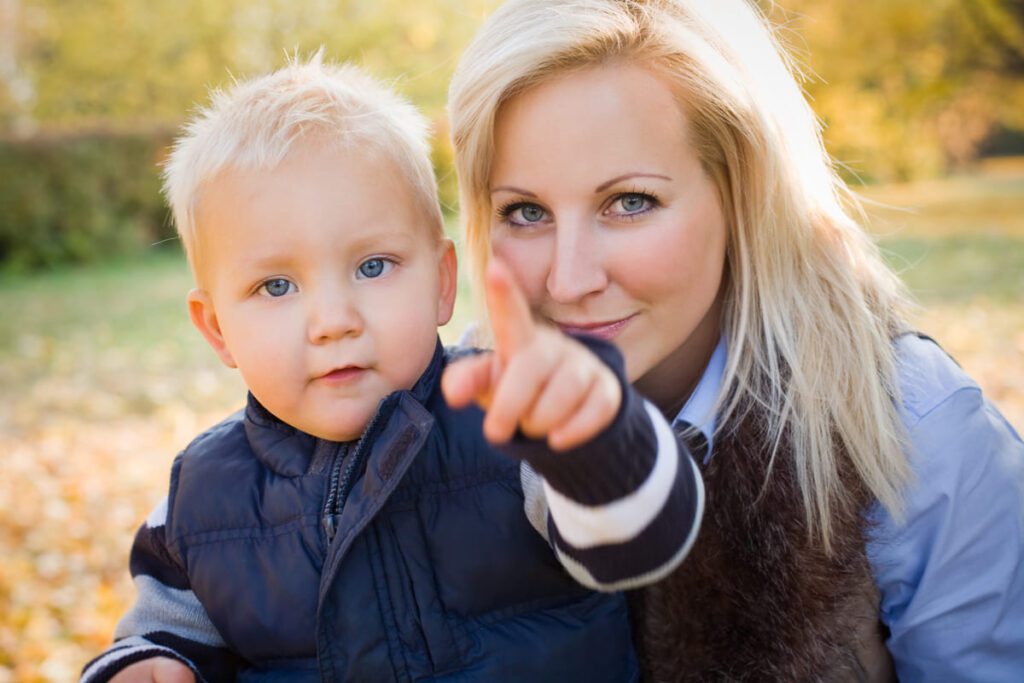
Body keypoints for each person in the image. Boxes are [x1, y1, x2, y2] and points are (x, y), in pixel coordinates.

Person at [445, 0, 1024, 680]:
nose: (569, 279)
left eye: (630, 201)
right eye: (525, 211)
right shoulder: (449, 424)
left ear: (742, 189)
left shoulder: (914, 423)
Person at [80, 55, 704, 682]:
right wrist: (147, 663)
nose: (333, 320)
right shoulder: (201, 494)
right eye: (276, 286)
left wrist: (594, 440)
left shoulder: (504, 421)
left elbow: (640, 541)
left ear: (441, 283)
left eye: (372, 266)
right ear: (217, 329)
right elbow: (160, 631)